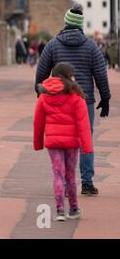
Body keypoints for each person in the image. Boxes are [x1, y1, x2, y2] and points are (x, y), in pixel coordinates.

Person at [35, 3, 111, 195]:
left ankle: (65, 181)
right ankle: (86, 182)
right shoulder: (91, 46)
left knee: (63, 139)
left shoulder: (52, 44)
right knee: (85, 138)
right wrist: (106, 98)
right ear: (80, 25)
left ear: (66, 22)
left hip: (59, 100)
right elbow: (101, 75)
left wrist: (40, 91)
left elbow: (41, 72)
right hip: (84, 100)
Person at [34, 63, 92, 221]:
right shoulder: (76, 95)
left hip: (53, 142)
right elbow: (83, 123)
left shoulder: (45, 94)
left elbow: (38, 121)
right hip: (72, 142)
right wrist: (87, 146)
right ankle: (73, 208)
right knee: (71, 175)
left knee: (58, 174)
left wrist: (38, 142)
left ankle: (59, 211)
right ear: (68, 75)